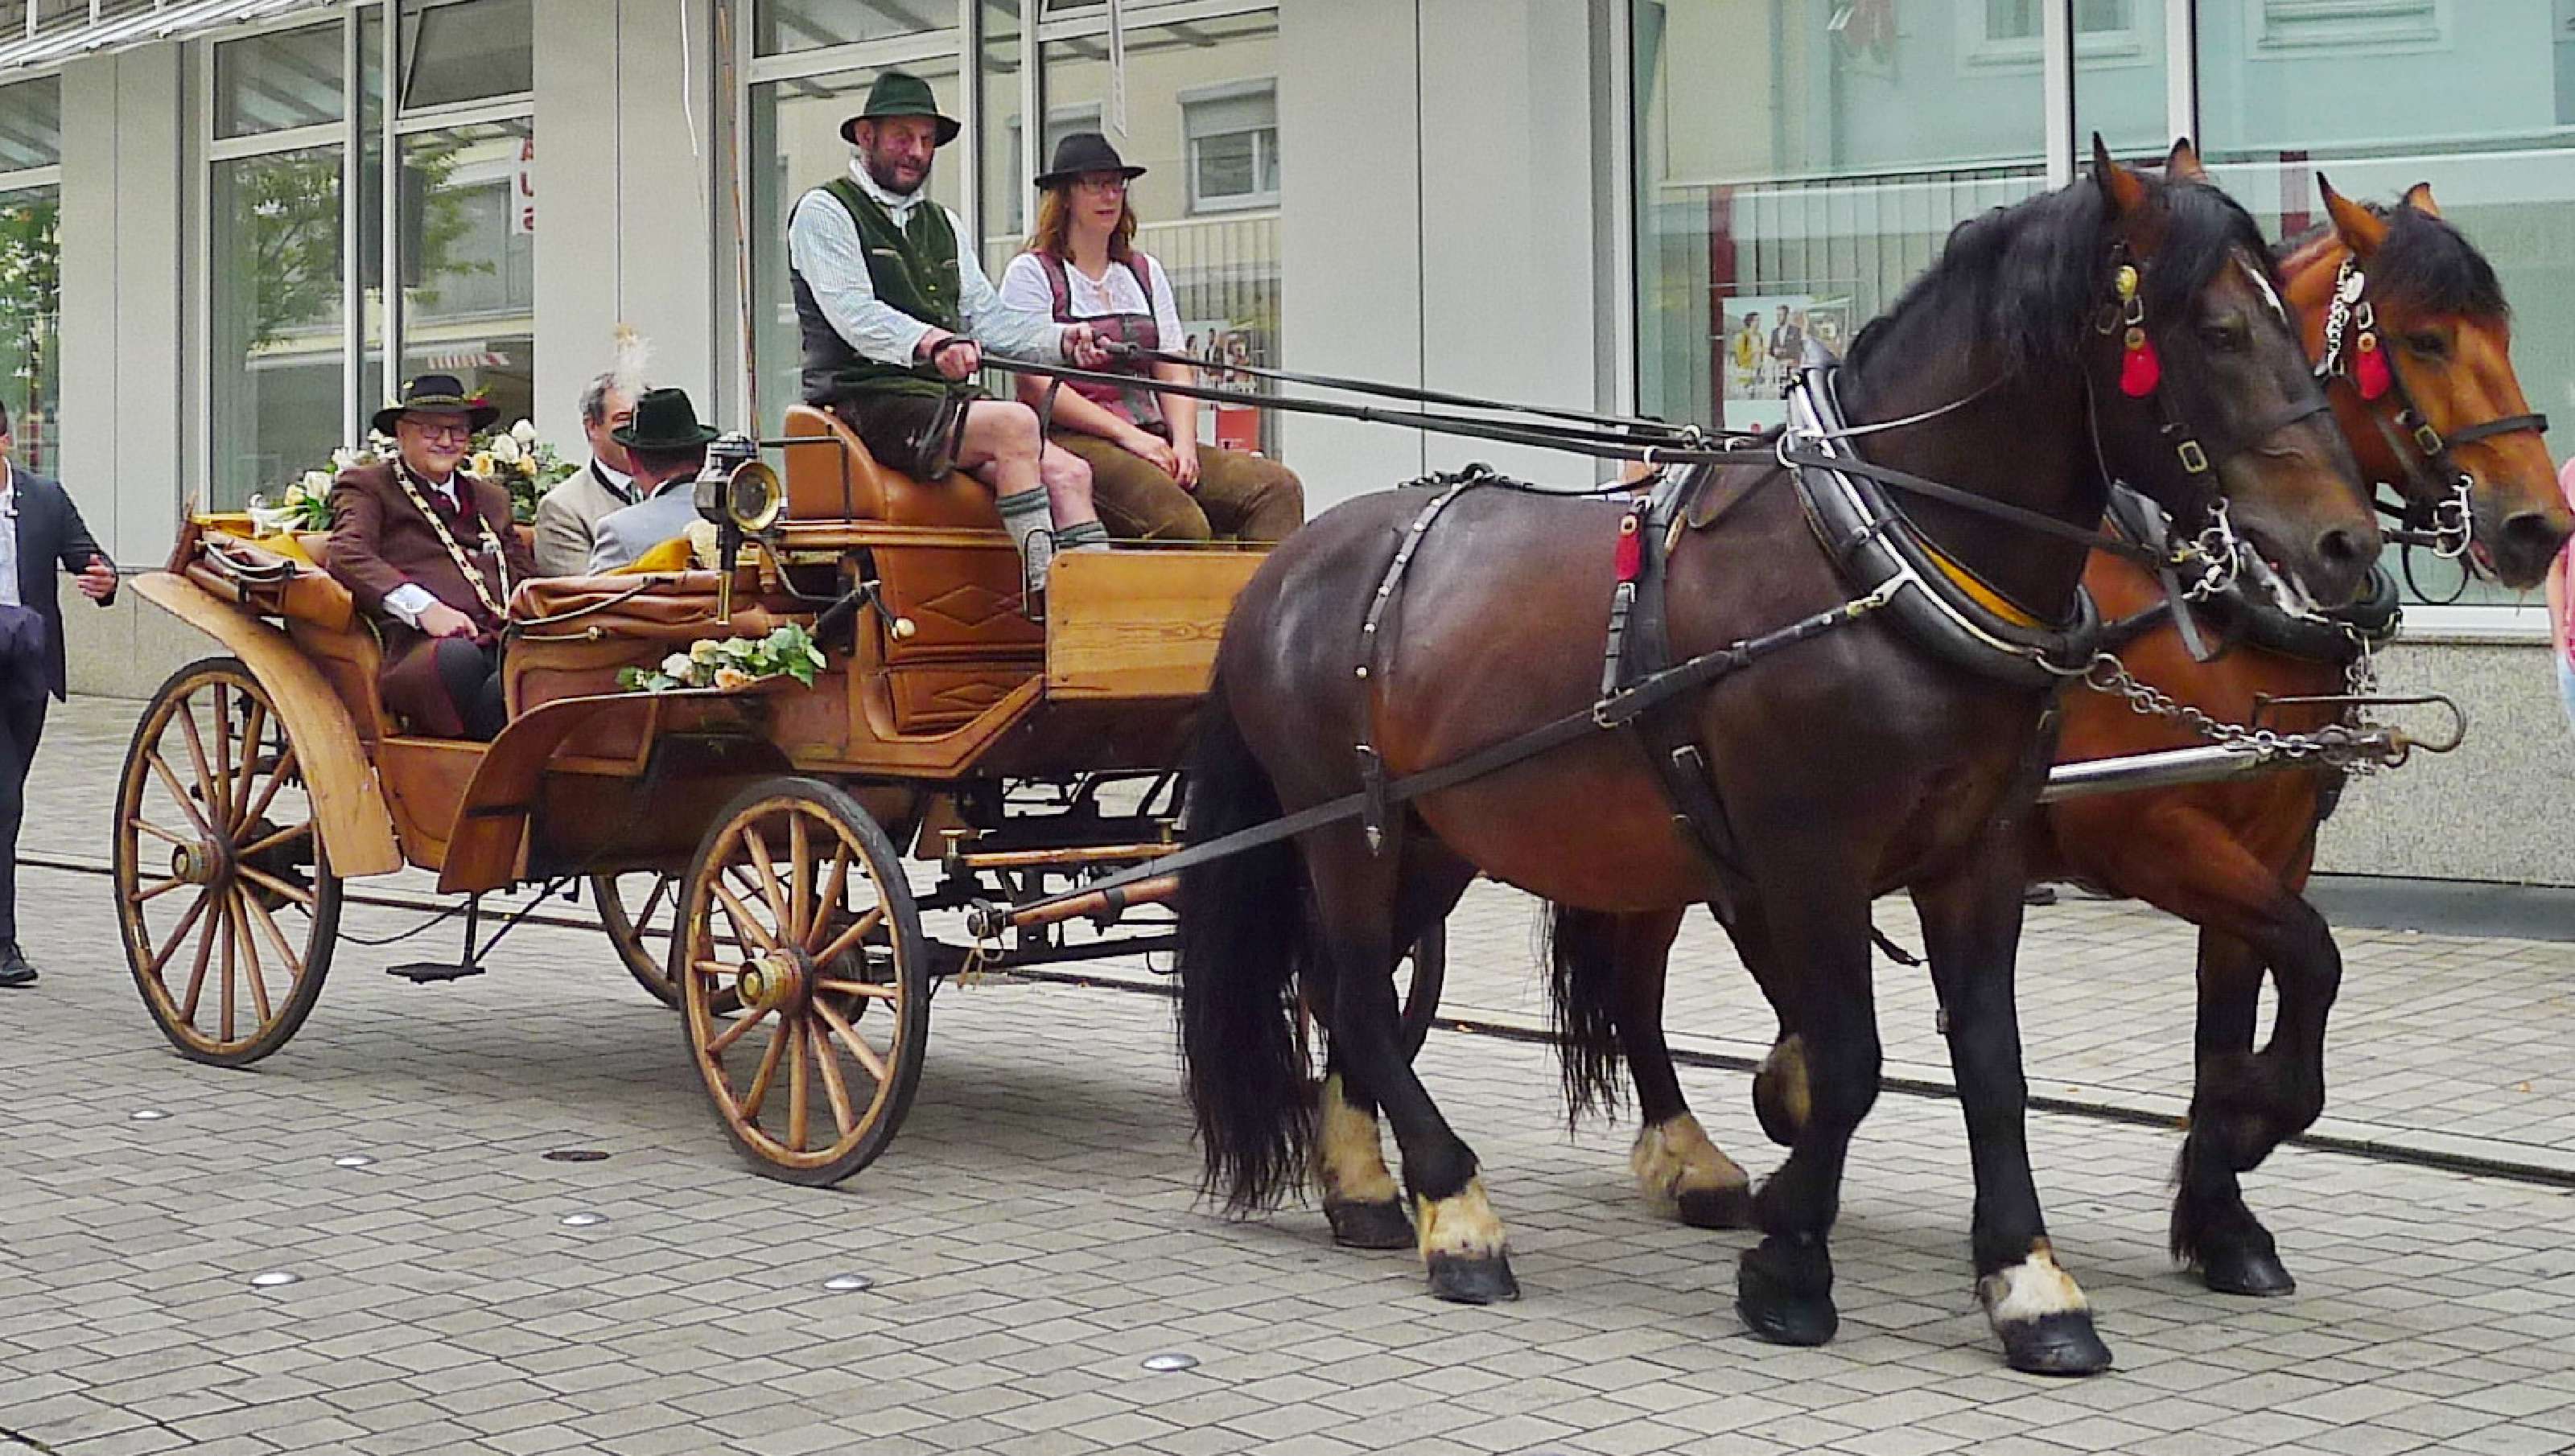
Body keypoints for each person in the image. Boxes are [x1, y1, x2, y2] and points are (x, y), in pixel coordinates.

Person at [786, 68, 1112, 613]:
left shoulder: (943, 223)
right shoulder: (825, 210)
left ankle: (1100, 618)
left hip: (939, 404)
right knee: (1016, 425)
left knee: (1072, 473)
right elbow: (853, 313)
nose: (917, 152)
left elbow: (989, 319)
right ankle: (1049, 598)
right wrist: (932, 343)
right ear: (865, 136)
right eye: (902, 138)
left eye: (926, 140)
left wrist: (1064, 340)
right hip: (865, 402)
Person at [999, 133, 1304, 543]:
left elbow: (1173, 368)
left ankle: (1262, 588)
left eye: (1116, 184)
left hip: (1152, 433)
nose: (1110, 196)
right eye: (1095, 185)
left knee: (1276, 488)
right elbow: (1034, 383)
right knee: (1178, 523)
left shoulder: (1142, 272)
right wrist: (1129, 436)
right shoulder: (1031, 273)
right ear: (1066, 196)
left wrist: (1184, 444)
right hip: (1073, 441)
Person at [325, 374, 537, 741]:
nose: (446, 441)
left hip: (503, 634)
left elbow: (522, 571)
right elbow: (347, 553)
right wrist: (425, 610)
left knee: (545, 663)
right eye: (431, 430)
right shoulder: (369, 486)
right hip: (420, 647)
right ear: (401, 433)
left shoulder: (491, 498)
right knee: (459, 660)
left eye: (457, 431)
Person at [0, 402, 116, 989]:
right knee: (3, 801)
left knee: (9, 795)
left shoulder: (44, 497)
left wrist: (104, 579)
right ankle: (2, 945)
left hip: (27, 664)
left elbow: (88, 557)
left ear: (3, 442)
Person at [589, 388, 717, 574]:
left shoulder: (619, 530)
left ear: (633, 460)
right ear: (703, 455)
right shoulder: (748, 521)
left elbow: (597, 592)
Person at [534, 372, 639, 576]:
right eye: (623, 420)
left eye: (643, 420)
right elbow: (581, 592)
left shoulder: (684, 492)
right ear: (592, 427)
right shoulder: (563, 508)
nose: (636, 431)